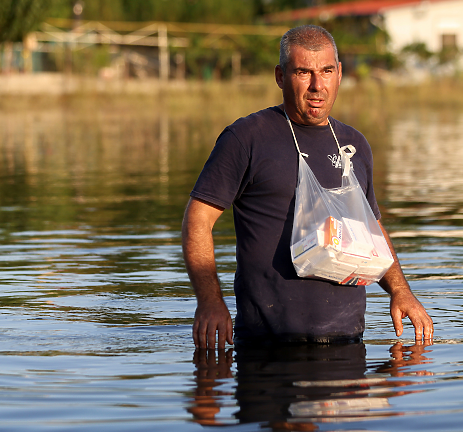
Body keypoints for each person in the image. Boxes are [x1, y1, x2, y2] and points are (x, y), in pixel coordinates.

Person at [182, 24, 433, 348]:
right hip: (267, 345)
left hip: (348, 344)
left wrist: (400, 291)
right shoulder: (246, 138)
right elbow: (198, 220)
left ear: (339, 74)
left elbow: (370, 228)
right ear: (280, 76)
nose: (318, 85)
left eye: (326, 71)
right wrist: (210, 301)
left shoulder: (353, 143)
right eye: (303, 72)